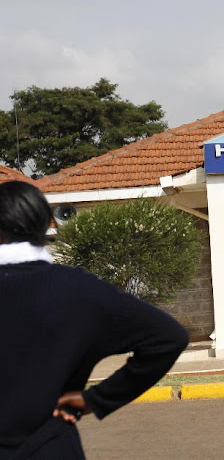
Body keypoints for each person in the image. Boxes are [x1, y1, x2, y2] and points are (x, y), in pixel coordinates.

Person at [0, 181, 188, 459]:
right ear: (46, 224)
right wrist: (96, 400)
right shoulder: (78, 290)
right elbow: (169, 337)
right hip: (50, 446)